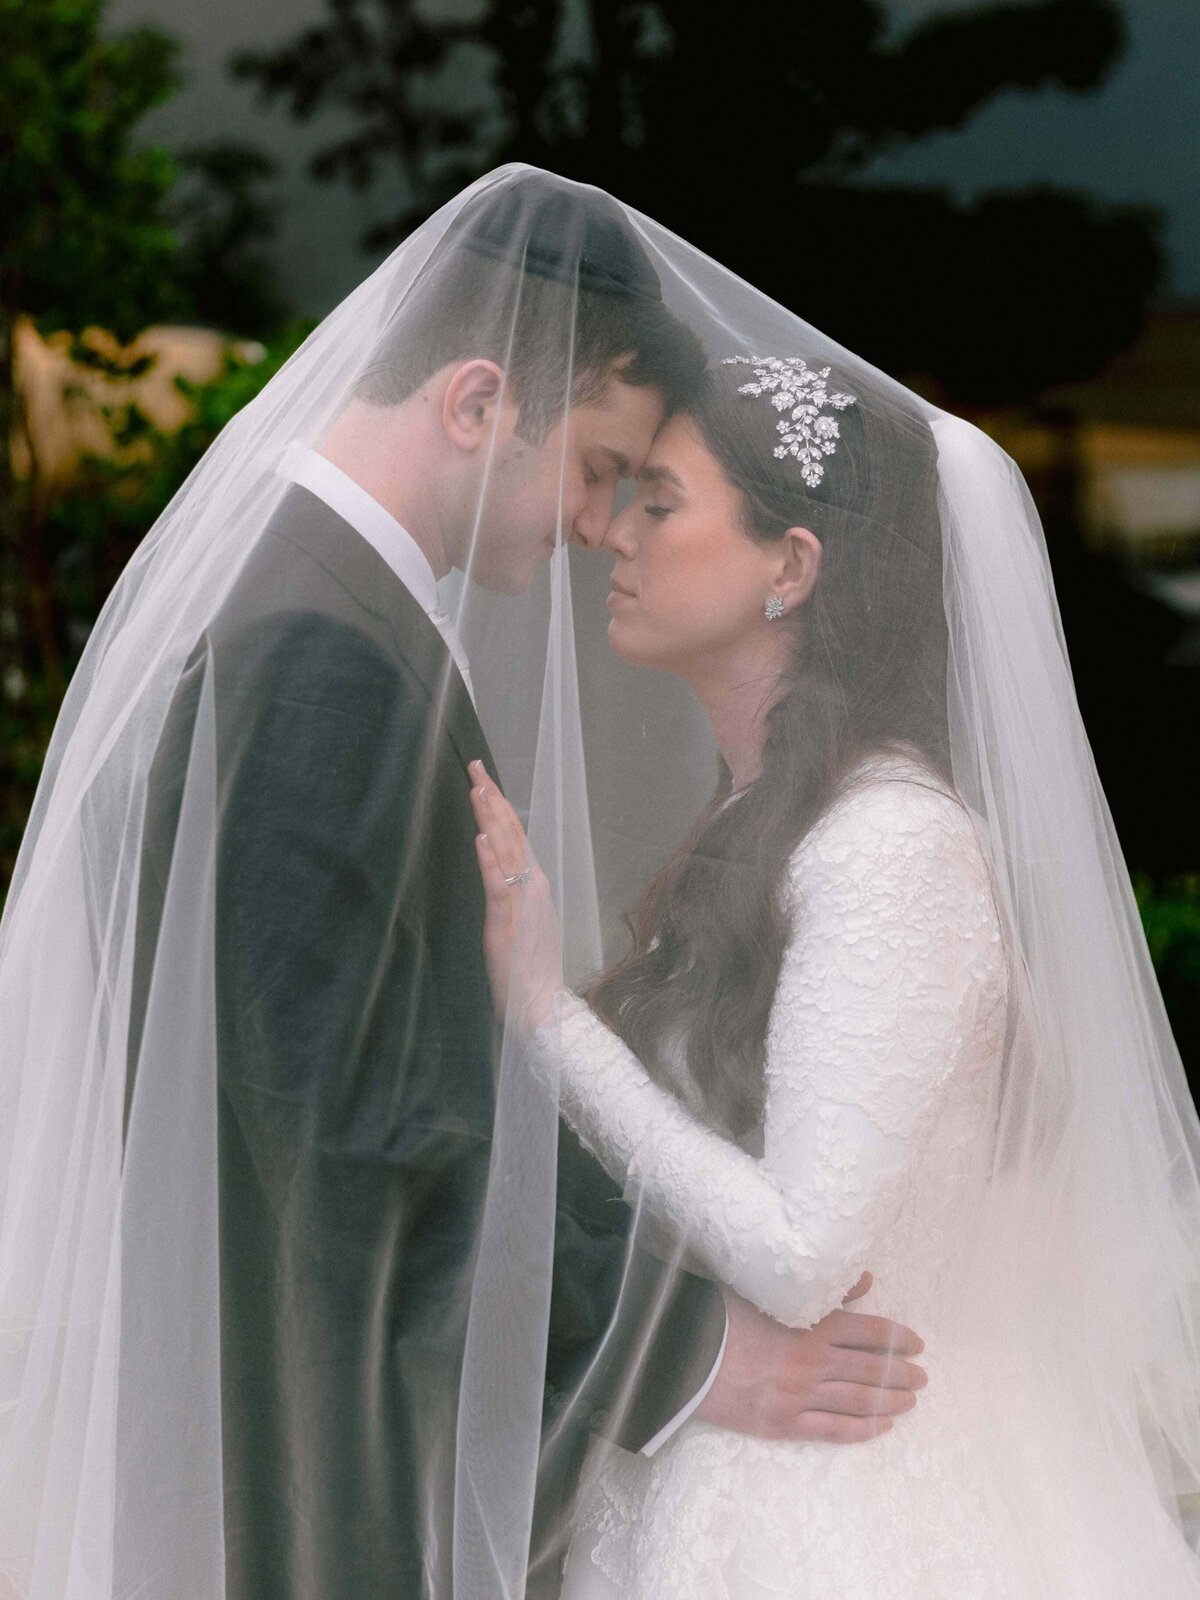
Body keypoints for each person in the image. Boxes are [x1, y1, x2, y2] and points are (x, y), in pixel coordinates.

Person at [0, 170, 928, 1600]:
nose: (599, 523)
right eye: (600, 467)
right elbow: (358, 1130)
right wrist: (673, 1353)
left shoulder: (326, 613)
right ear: (478, 404)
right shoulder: (315, 657)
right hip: (313, 1455)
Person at [470, 351, 1200, 1595]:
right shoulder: (770, 821)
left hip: (849, 1506)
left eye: (660, 502)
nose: (612, 538)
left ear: (791, 568)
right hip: (741, 1463)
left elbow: (804, 1247)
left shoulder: (890, 848)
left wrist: (546, 1018)